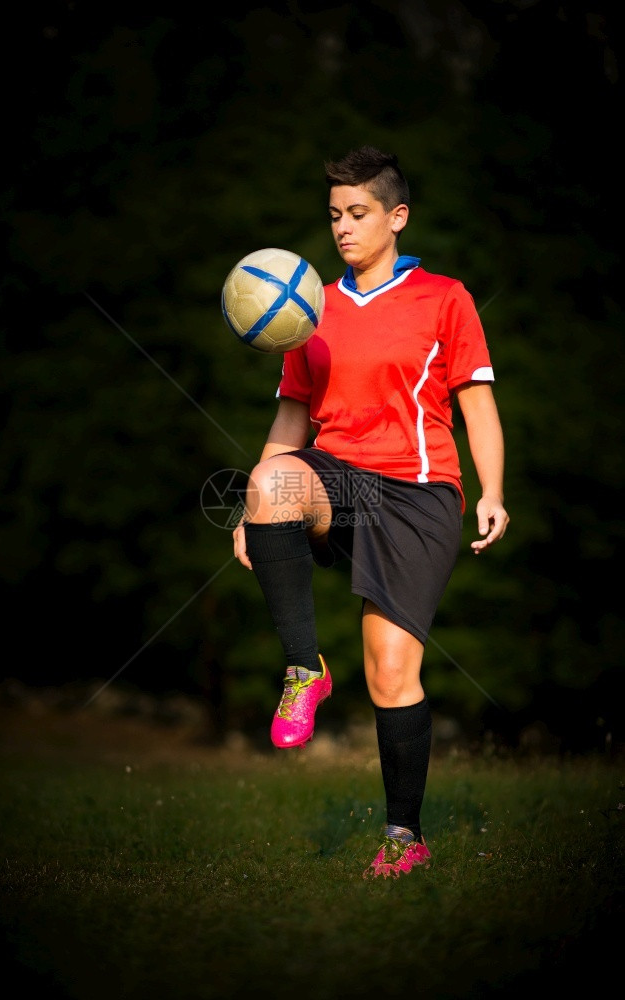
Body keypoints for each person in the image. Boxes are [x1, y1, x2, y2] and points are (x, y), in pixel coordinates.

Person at [233, 145, 509, 879]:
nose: (343, 229)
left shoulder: (444, 298)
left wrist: (490, 491)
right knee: (265, 484)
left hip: (418, 495)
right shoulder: (307, 308)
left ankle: (402, 837)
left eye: (357, 214)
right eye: (333, 216)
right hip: (343, 481)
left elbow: (476, 404)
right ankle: (302, 669)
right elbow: (291, 420)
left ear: (397, 217)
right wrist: (256, 501)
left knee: (391, 672)